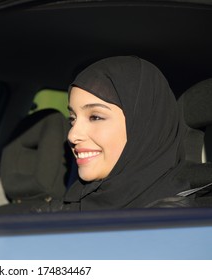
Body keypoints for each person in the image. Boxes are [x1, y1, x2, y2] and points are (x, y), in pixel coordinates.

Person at [61, 56, 191, 211]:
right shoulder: (75, 202)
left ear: (143, 126)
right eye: (72, 119)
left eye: (95, 117)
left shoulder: (171, 222)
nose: (72, 135)